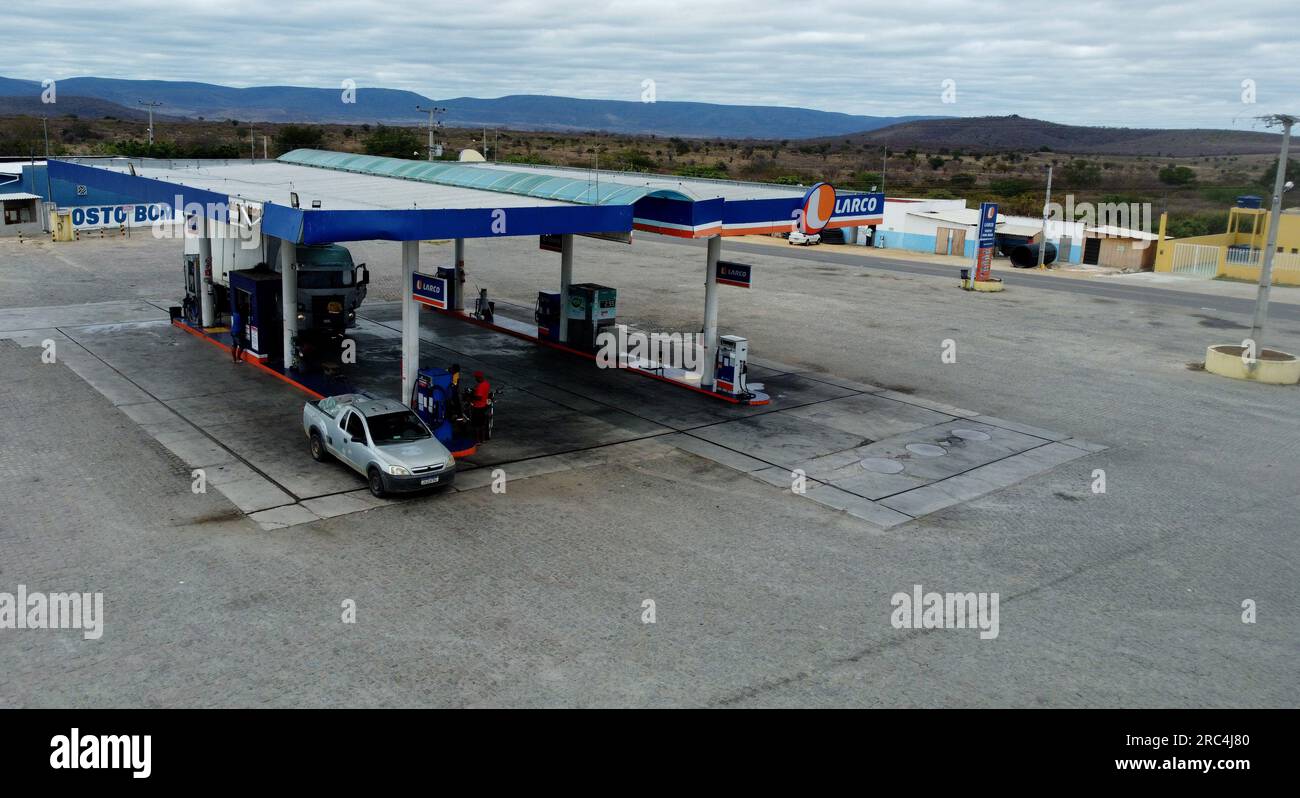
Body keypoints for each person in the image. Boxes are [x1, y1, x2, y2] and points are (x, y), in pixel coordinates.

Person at [469, 370, 492, 442]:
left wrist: (471, 397)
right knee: (482, 424)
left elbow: (479, 397)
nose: (475, 379)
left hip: (477, 407)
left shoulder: (480, 386)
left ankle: (477, 440)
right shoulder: (487, 384)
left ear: (479, 377)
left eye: (476, 378)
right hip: (483, 406)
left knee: (476, 425)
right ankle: (483, 439)